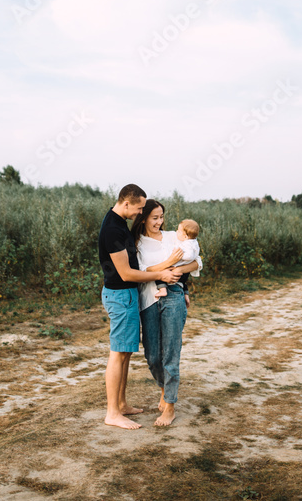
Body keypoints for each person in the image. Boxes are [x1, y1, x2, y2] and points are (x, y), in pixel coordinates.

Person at [98, 184, 182, 430]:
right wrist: (163, 276)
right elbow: (125, 273)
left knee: (125, 353)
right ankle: (112, 413)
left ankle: (121, 404)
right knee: (118, 353)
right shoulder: (113, 229)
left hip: (128, 296)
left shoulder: (117, 221)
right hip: (121, 295)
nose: (140, 213)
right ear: (126, 203)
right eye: (138, 208)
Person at [133, 200, 202, 427]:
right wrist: (167, 266)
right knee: (153, 355)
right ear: (143, 219)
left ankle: (170, 405)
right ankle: (164, 389)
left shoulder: (174, 235)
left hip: (173, 296)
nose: (159, 222)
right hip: (148, 300)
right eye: (154, 218)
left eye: (161, 217)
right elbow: (142, 271)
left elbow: (196, 261)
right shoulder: (137, 243)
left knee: (171, 353)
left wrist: (177, 271)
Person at [152, 219, 201, 300]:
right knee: (183, 281)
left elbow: (189, 256)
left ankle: (162, 289)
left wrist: (178, 256)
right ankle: (185, 292)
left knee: (160, 275)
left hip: (178, 266)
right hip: (184, 269)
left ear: (185, 236)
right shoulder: (194, 242)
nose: (176, 232)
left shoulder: (187, 243)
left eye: (178, 231)